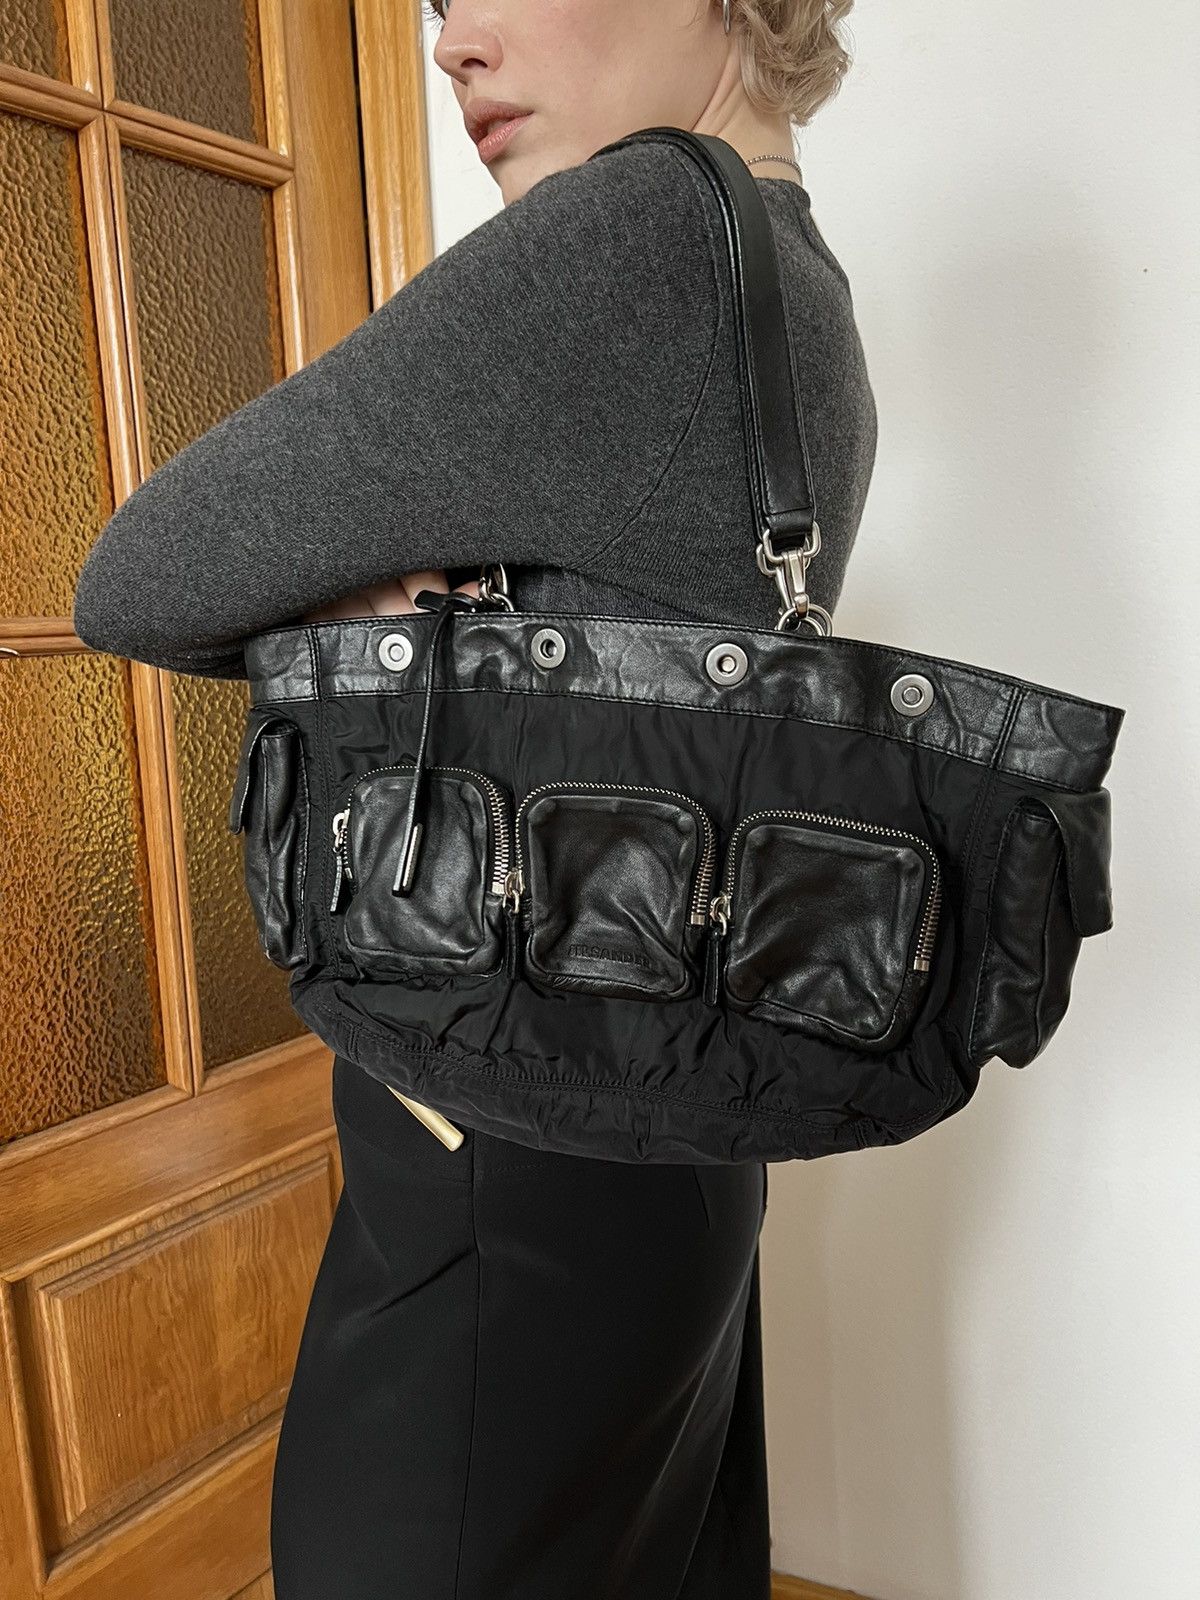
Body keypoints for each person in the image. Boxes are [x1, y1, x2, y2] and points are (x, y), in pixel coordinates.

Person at [72, 0, 877, 1593]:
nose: (451, 42)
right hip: (681, 1123)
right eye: (440, 2)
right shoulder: (788, 273)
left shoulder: (634, 235)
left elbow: (134, 573)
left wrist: (355, 605)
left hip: (509, 1145)